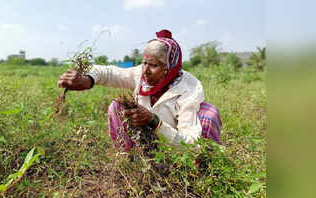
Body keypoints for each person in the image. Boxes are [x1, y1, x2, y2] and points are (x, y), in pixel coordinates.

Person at [58, 29, 221, 151]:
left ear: (169, 67)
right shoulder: (141, 75)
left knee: (208, 113)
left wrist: (154, 121)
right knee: (117, 106)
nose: (146, 70)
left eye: (154, 65)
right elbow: (108, 72)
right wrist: (87, 80)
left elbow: (189, 142)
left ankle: (198, 168)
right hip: (148, 140)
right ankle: (131, 158)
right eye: (144, 63)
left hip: (177, 148)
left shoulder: (188, 88)